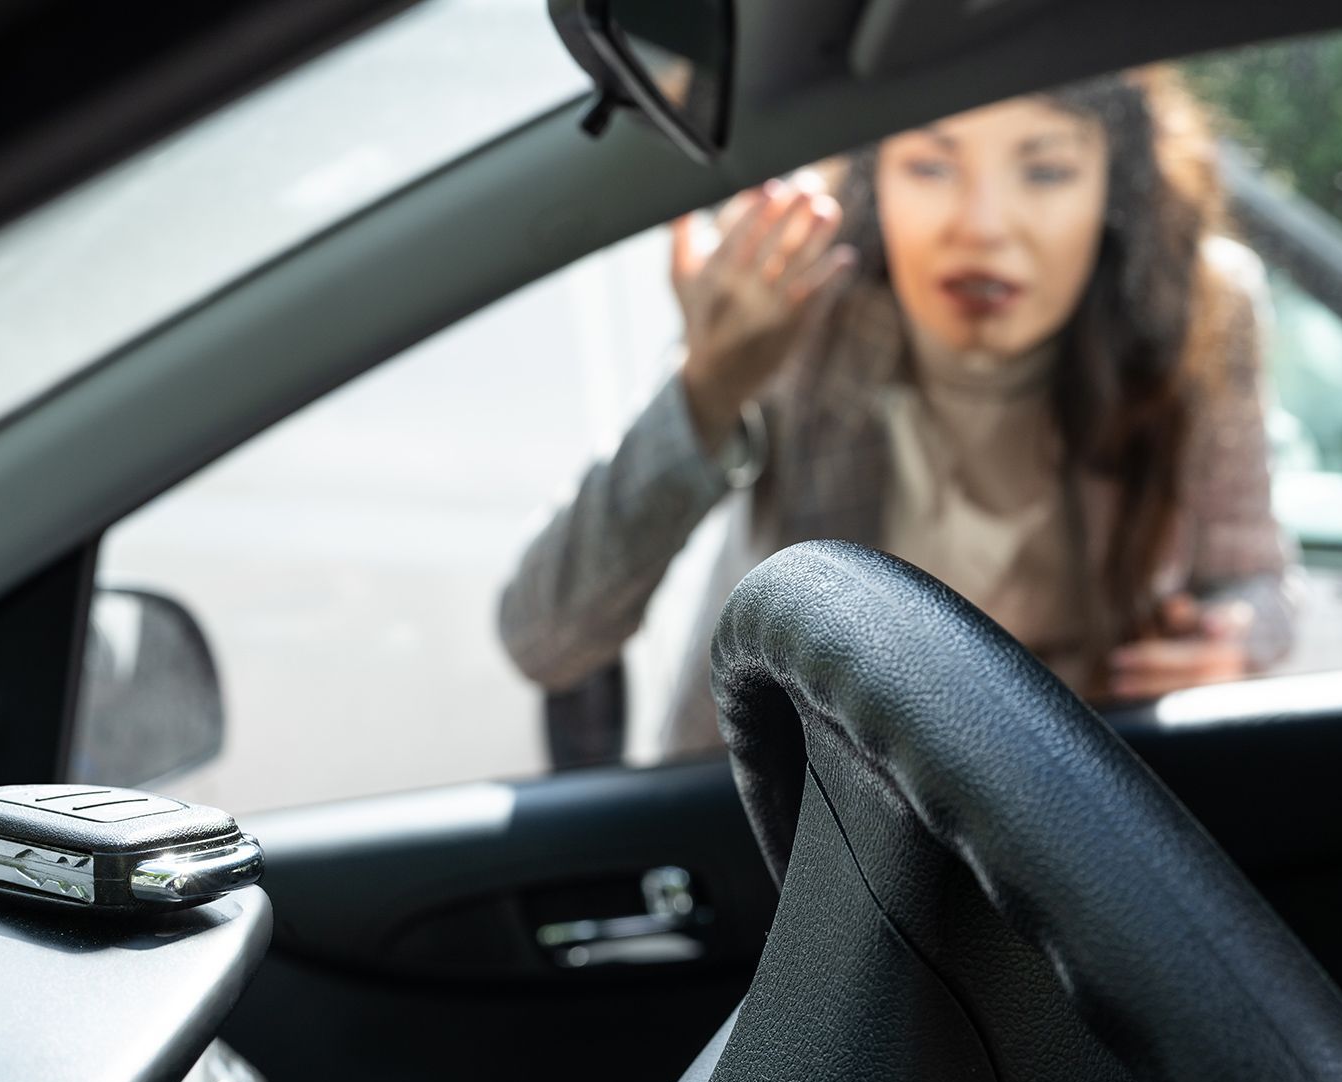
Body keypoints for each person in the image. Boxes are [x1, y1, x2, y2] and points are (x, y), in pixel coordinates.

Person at [498, 67, 1298, 757]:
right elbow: (547, 637)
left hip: (1071, 829)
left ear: (1113, 185)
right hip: (803, 828)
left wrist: (1230, 645)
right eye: (929, 165)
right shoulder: (801, 302)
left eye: (1046, 171)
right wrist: (708, 387)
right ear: (874, 176)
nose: (982, 226)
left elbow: (1255, 581)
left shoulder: (1197, 313)